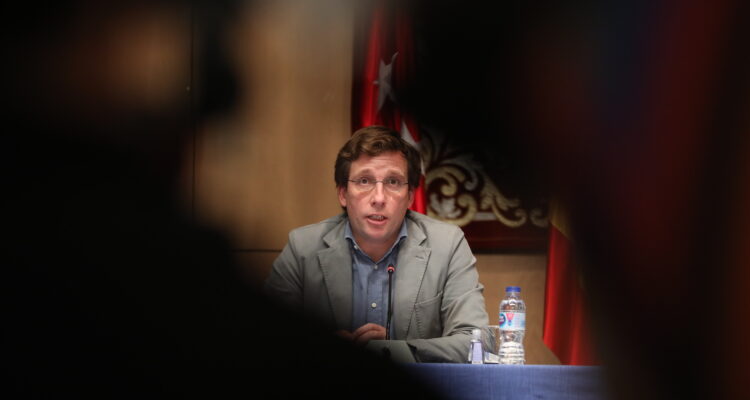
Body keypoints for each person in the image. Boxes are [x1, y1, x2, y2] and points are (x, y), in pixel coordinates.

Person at [264, 125, 489, 363]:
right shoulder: (303, 248)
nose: (379, 198)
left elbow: (477, 342)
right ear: (343, 194)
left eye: (393, 181)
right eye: (364, 181)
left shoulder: (447, 245)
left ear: (410, 196)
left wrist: (398, 351)